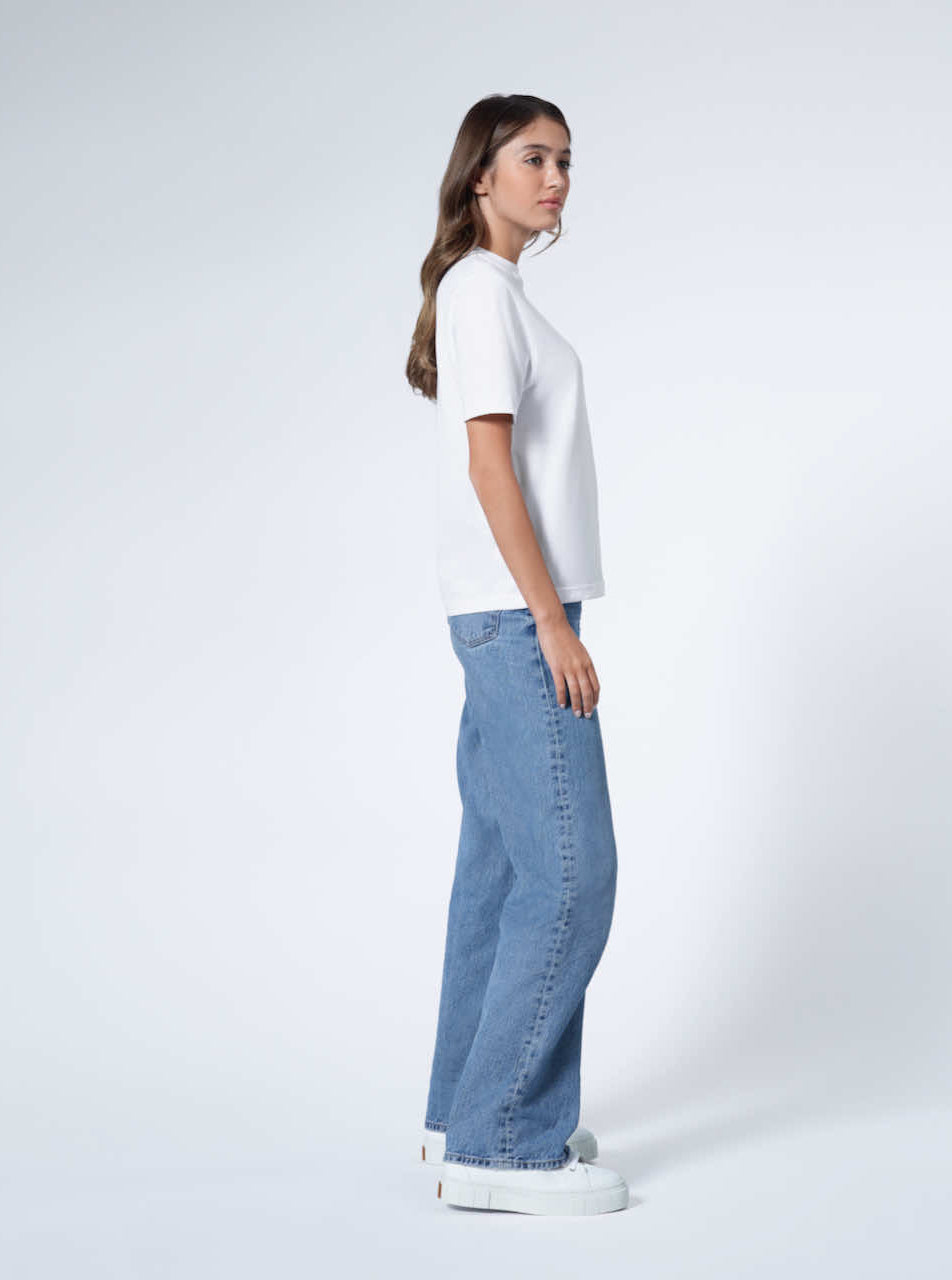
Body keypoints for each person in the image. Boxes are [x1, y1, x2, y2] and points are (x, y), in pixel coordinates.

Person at [405, 94, 628, 1216]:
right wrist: (550, 619)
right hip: (516, 614)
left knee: (499, 876)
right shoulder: (480, 290)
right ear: (480, 173)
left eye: (566, 161)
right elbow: (489, 464)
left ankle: (463, 1114)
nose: (556, 178)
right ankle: (506, 1140)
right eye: (535, 157)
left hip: (495, 614)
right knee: (572, 873)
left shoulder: (487, 292)